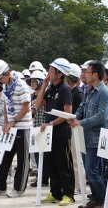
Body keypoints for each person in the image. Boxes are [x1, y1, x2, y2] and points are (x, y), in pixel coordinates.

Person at [69, 61, 108, 208]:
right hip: (85, 137)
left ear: (95, 74)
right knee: (95, 171)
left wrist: (81, 122)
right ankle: (97, 199)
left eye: (87, 72)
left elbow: (102, 116)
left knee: (91, 171)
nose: (84, 74)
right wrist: (75, 117)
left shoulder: (105, 93)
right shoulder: (89, 89)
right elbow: (82, 107)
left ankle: (105, 200)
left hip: (96, 138)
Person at [0, 60, 32, 198]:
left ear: (7, 73)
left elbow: (26, 107)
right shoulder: (7, 87)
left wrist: (13, 121)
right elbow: (6, 106)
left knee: (22, 160)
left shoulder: (21, 85)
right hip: (11, 127)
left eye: (0, 78)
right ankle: (0, 186)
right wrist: (6, 123)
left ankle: (19, 188)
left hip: (23, 127)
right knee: (4, 157)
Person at [36, 58, 75, 206]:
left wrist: (51, 123)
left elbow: (68, 113)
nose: (48, 73)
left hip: (61, 133)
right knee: (51, 164)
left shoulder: (65, 90)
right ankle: (55, 192)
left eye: (51, 70)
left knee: (64, 165)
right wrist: (44, 84)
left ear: (60, 74)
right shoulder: (50, 88)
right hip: (49, 133)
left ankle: (68, 194)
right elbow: (38, 104)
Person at [64, 63, 85, 195]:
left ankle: (79, 185)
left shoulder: (78, 94)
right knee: (72, 158)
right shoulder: (72, 92)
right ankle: (75, 183)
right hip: (69, 128)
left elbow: (78, 114)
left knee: (77, 159)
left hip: (76, 129)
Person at [27, 70, 49, 188]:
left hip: (43, 125)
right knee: (36, 153)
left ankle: (44, 178)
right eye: (31, 81)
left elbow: (38, 105)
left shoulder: (44, 94)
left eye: (35, 81)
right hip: (34, 126)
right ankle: (40, 177)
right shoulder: (31, 95)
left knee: (44, 154)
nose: (32, 83)